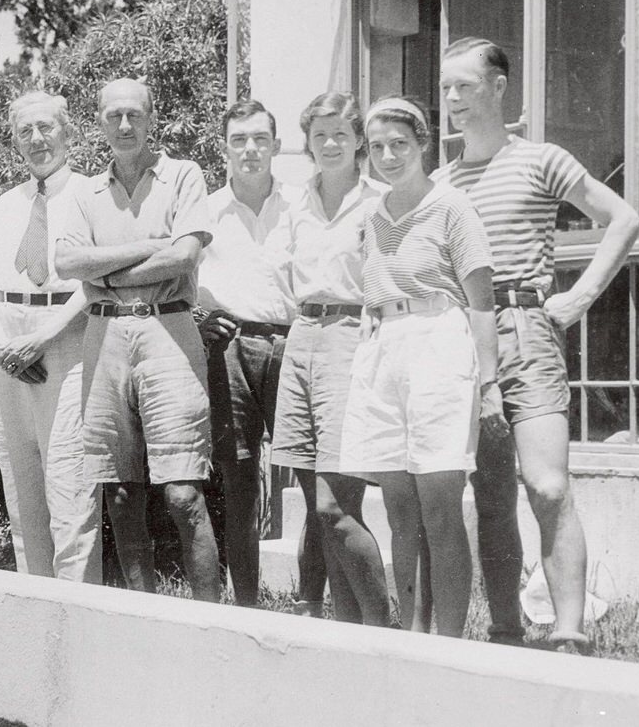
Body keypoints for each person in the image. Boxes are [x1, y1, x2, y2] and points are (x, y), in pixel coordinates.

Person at [438, 37, 639, 650]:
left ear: (499, 88)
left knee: (548, 487)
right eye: (446, 89)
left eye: (464, 87)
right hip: (468, 338)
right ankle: (505, 631)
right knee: (492, 494)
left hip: (529, 331)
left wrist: (578, 298)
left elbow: (623, 218)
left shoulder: (541, 159)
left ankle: (570, 636)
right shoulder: (442, 182)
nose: (452, 100)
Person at [56, 78, 220, 602]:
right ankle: (139, 614)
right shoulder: (84, 191)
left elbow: (184, 257)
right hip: (103, 335)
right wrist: (148, 246)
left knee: (182, 492)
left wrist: (105, 272)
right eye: (113, 116)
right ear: (99, 121)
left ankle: (212, 622)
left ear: (152, 119)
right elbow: (66, 262)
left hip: (167, 329)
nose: (124, 126)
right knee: (120, 493)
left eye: (134, 115)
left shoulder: (182, 175)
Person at [340, 98, 499, 638]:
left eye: (399, 145)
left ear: (423, 143)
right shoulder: (371, 213)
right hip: (385, 348)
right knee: (398, 507)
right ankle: (412, 635)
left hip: (440, 344)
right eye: (378, 146)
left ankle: (449, 642)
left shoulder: (453, 206)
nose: (387, 156)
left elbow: (481, 302)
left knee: (439, 504)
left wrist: (492, 380)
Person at [0, 91, 102, 583]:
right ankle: (37, 615)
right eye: (25, 132)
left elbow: (96, 285)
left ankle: (80, 616)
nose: (37, 139)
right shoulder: (5, 205)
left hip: (66, 347)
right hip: (7, 352)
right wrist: (5, 344)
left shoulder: (92, 195)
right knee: (23, 501)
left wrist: (40, 338)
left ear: (69, 132)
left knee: (70, 495)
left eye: (46, 128)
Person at [271, 92, 389, 625]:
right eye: (319, 135)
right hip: (302, 338)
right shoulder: (295, 204)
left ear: (359, 139)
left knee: (333, 506)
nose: (330, 144)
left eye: (341, 133)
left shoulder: (379, 201)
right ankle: (350, 628)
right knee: (322, 510)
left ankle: (384, 626)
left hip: (350, 336)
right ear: (308, 143)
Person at [196, 99, 297, 607]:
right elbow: (178, 275)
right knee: (238, 480)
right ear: (225, 149)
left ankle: (310, 599)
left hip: (291, 345)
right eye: (239, 140)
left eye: (260, 139)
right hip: (230, 348)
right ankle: (249, 603)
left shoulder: (300, 206)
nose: (250, 149)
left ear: (275, 146)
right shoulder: (206, 211)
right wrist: (199, 320)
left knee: (314, 472)